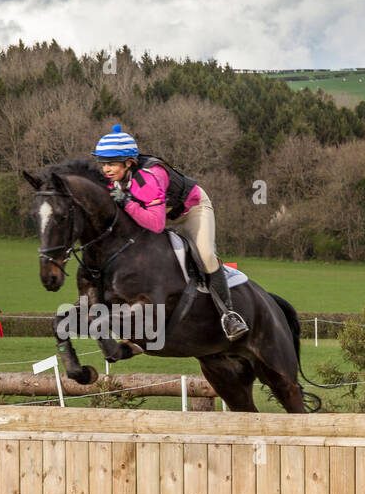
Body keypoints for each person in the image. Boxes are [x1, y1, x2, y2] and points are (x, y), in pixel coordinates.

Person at [91, 125, 248, 339]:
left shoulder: (147, 177)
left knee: (204, 254)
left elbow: (155, 224)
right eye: (103, 164)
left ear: (129, 163)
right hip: (163, 215)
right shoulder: (116, 182)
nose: (106, 170)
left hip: (192, 210)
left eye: (111, 164)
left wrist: (126, 203)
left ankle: (229, 315)